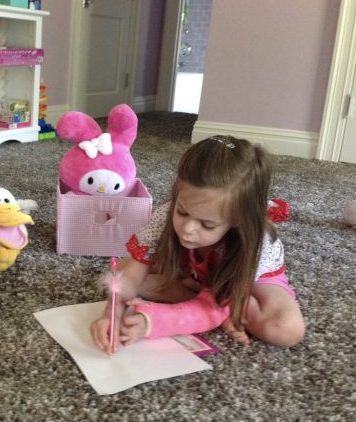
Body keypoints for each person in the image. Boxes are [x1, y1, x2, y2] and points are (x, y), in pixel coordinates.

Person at [90, 135, 305, 355]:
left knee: (285, 328)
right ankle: (204, 298)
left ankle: (216, 303)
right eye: (182, 211)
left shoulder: (255, 242)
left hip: (246, 281)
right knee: (128, 273)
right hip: (194, 269)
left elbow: (216, 303)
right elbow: (131, 273)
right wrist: (111, 314)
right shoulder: (166, 215)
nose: (188, 229)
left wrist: (152, 321)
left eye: (207, 224)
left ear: (237, 220)